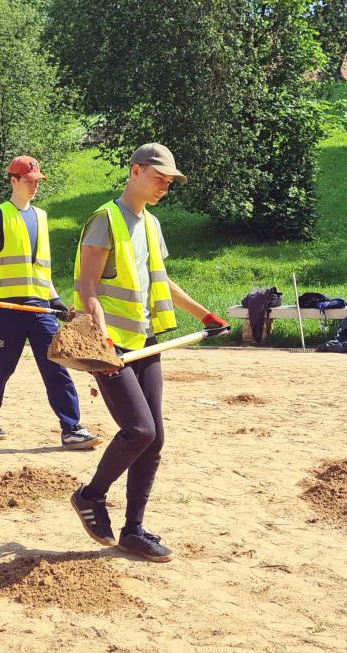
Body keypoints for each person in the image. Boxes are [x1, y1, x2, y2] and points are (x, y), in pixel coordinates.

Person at [68, 143, 228, 562]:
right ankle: (90, 496)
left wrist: (204, 314)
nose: (165, 187)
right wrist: (100, 337)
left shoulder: (152, 225)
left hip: (147, 341)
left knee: (154, 440)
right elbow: (86, 287)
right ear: (136, 171)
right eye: (160, 179)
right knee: (139, 430)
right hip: (111, 347)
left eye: (170, 182)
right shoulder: (104, 220)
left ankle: (133, 531)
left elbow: (161, 279)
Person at [0, 155, 101, 450]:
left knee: (56, 365)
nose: (35, 186)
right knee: (1, 368)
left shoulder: (42, 217)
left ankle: (71, 427)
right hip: (5, 308)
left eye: (38, 181)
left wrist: (55, 298)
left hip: (38, 306)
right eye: (29, 181)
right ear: (14, 181)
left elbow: (39, 268)